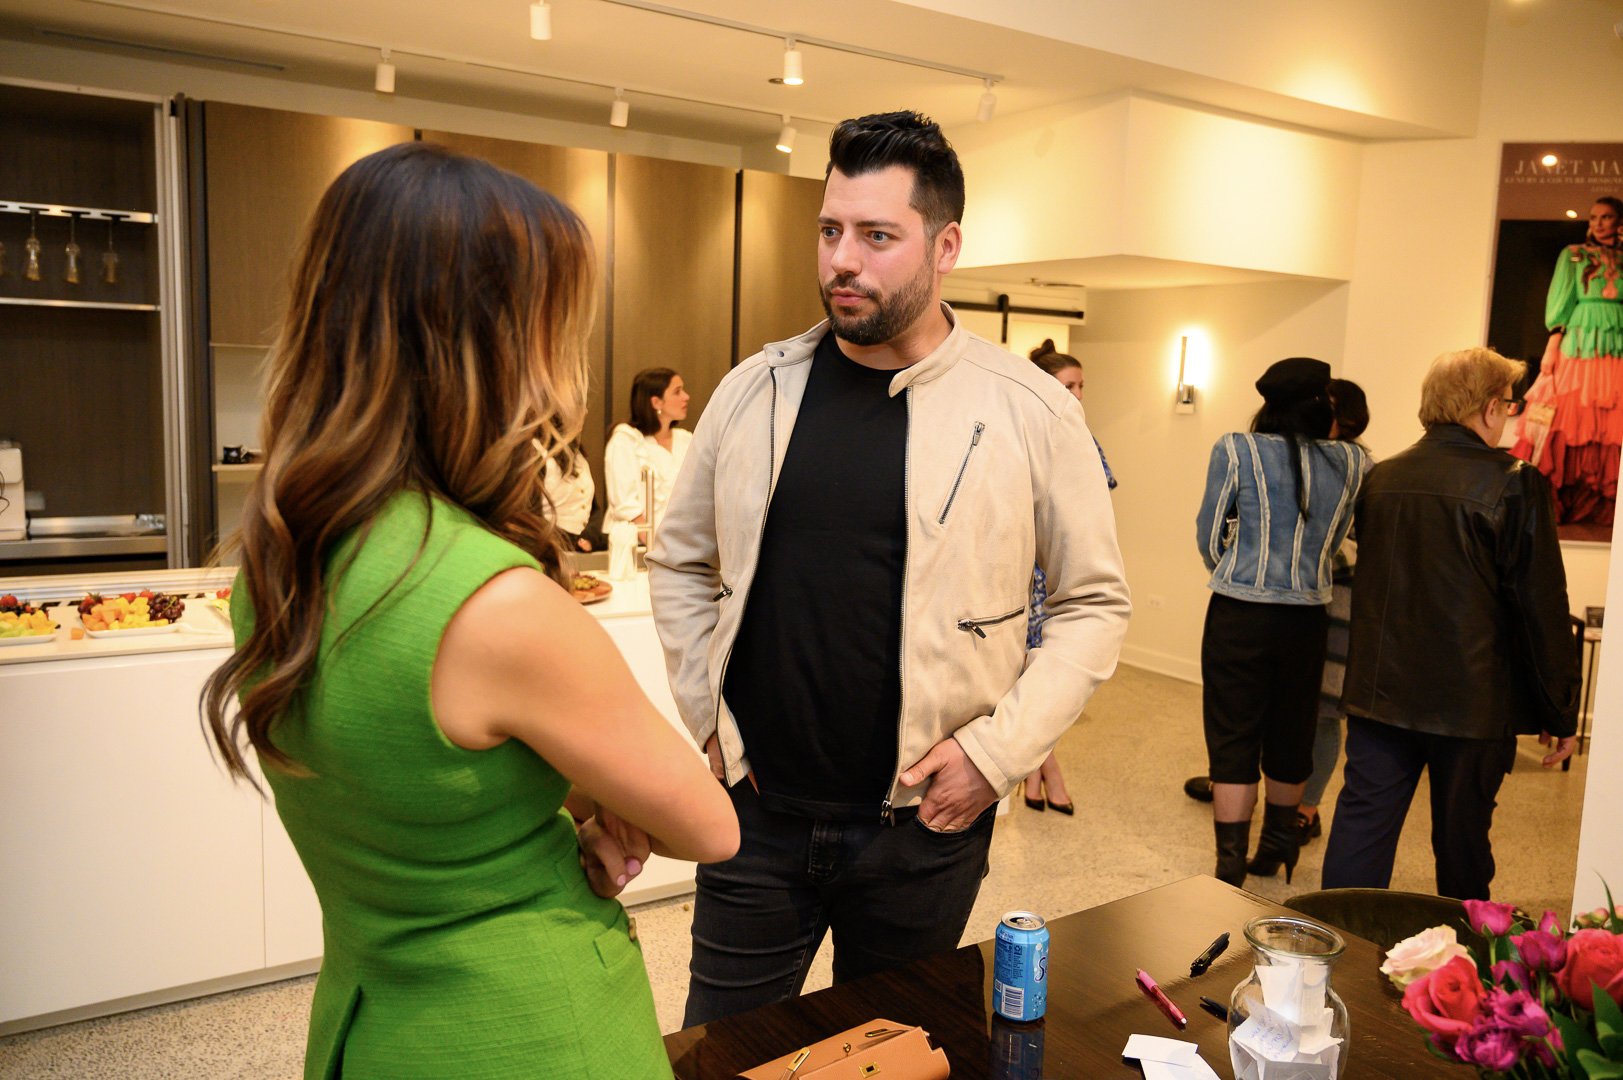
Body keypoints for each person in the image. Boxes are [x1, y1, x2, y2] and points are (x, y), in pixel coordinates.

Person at [199, 143, 738, 1079]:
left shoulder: (279, 565)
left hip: (373, 1029)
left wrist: (577, 805)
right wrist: (604, 812)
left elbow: (434, 778)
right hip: (532, 1034)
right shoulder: (498, 605)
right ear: (484, 344)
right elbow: (708, 827)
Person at [648, 111, 1130, 1025]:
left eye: (876, 236)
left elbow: (1092, 604)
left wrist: (996, 756)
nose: (842, 259)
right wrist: (706, 715)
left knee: (891, 1055)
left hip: (921, 831)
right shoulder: (754, 391)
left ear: (944, 247)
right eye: (830, 230)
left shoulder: (1030, 411)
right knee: (722, 1054)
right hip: (752, 818)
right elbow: (678, 560)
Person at [1323, 347, 1579, 901]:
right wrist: (1559, 707)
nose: (1508, 416)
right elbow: (1540, 605)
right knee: (1462, 846)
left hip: (1379, 693)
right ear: (1489, 407)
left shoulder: (1382, 478)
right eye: (1509, 405)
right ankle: (1466, 952)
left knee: (1362, 830)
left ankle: (1334, 939)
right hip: (1471, 704)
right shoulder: (1515, 482)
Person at [1195, 358, 1368, 888]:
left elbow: (1208, 535)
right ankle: (1277, 848)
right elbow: (1339, 538)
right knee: (1294, 731)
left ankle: (1230, 865)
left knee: (1233, 735)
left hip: (1239, 614)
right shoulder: (1352, 461)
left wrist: (1235, 567)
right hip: (1308, 617)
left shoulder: (1237, 449)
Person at [1024, 339, 1118, 814]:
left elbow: (1091, 512)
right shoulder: (1020, 429)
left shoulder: (1082, 439)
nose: (1078, 396)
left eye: (1082, 386)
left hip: (1056, 574)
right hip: (1019, 574)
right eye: (1068, 386)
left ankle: (1039, 771)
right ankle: (1044, 771)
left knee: (1045, 675)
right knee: (1020, 677)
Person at [1511, 196, 1623, 526]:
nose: (1599, 223)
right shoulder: (1573, 255)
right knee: (1570, 418)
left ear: (1619, 221)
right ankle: (1559, 500)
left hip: (1617, 345)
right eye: (1594, 217)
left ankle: (1605, 502)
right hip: (1580, 343)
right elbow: (1561, 301)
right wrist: (1551, 348)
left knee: (1610, 422)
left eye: (1607, 217)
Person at [1294, 378, 1369, 845]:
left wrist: (1301, 555)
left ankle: (1307, 808)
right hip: (1296, 604)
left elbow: (1362, 545)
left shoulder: (1363, 469)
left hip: (1339, 606)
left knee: (1323, 714)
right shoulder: (1300, 458)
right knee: (1288, 708)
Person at [605, 367, 691, 536]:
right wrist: (655, 544)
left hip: (681, 540)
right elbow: (625, 505)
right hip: (639, 542)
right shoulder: (626, 440)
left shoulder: (686, 439)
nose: (686, 397)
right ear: (656, 402)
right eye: (677, 392)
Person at [542, 439, 596, 551]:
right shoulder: (536, 450)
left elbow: (594, 509)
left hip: (578, 547)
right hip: (549, 546)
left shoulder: (578, 453)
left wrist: (590, 537)